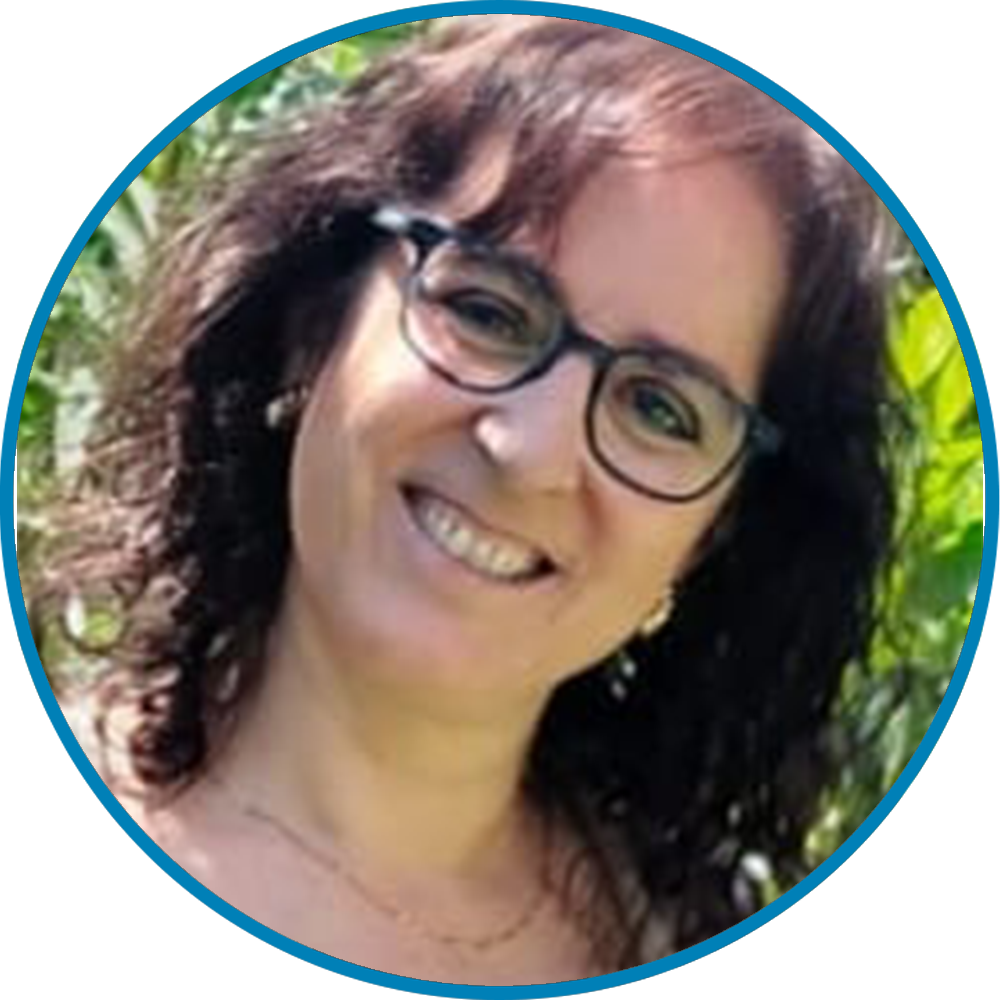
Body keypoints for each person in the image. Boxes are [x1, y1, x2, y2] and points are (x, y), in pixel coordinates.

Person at [18, 1, 898, 997]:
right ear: (314, 318)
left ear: (717, 528)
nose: (531, 451)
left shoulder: (707, 956)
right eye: (488, 309)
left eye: (659, 408)